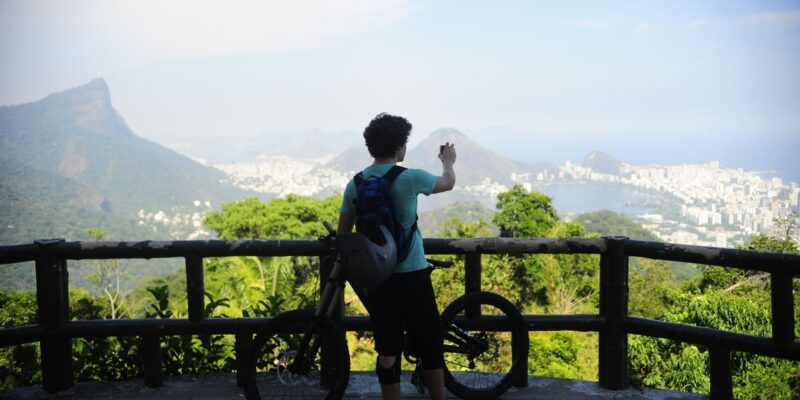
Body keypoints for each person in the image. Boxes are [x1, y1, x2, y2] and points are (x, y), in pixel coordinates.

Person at [337, 113, 456, 400]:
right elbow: (447, 183)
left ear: (371, 147)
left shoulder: (356, 184)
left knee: (387, 349)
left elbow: (344, 233)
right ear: (400, 147)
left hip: (378, 278)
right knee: (429, 343)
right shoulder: (409, 177)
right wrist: (448, 161)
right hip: (412, 272)